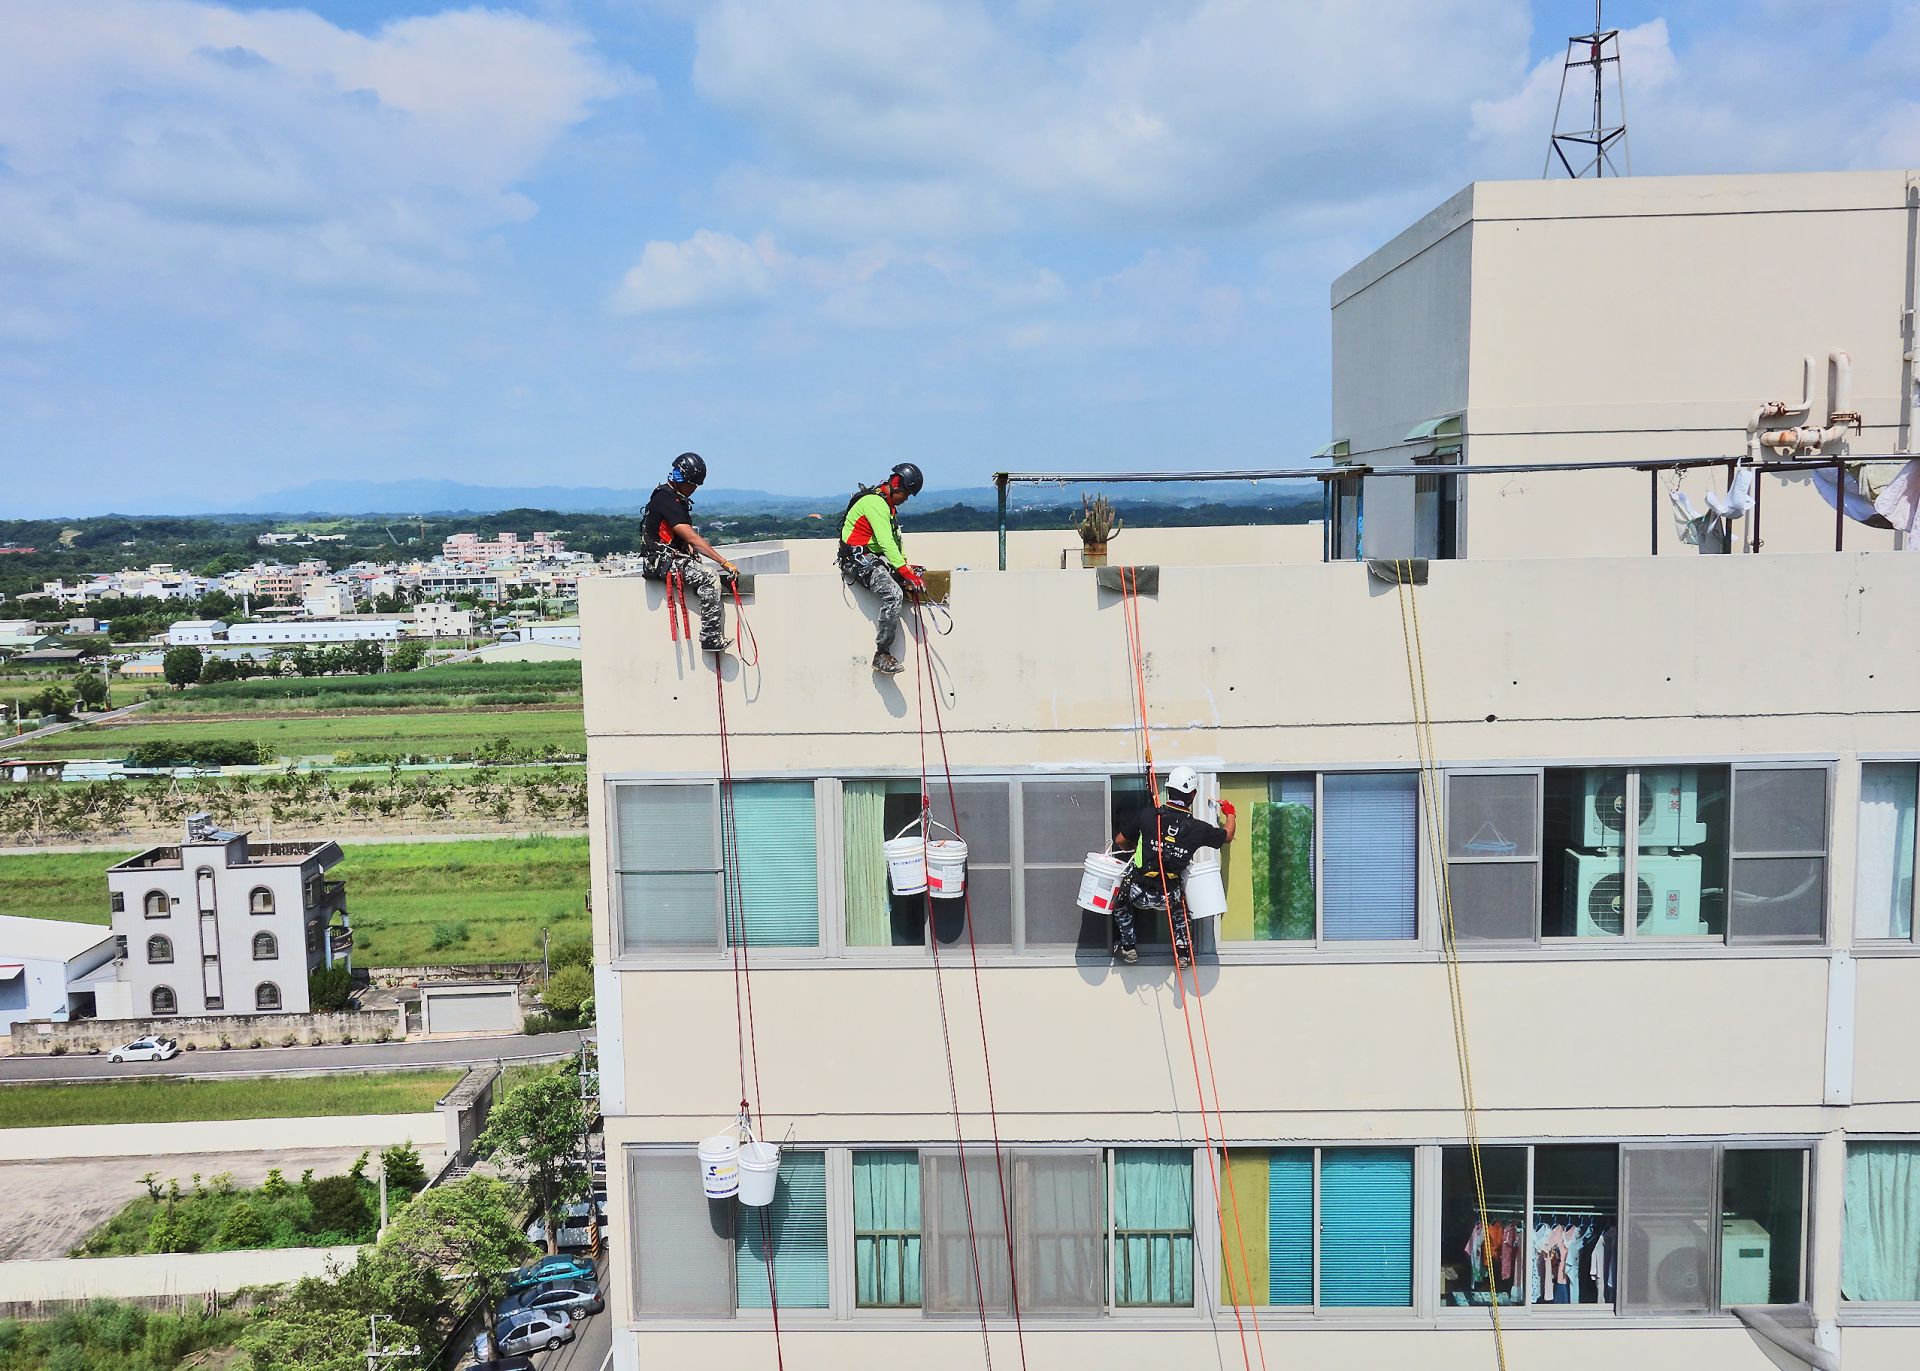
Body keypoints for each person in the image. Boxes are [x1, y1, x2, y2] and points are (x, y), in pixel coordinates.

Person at [1110, 765, 1237, 964]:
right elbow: (1227, 836)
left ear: (1168, 790)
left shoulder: (1147, 815)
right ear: (1193, 794)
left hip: (1138, 893)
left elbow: (1119, 840)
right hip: (1168, 897)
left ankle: (1128, 947)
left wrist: (1138, 846)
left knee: (1119, 902)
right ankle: (1183, 952)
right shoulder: (1198, 829)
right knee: (1182, 906)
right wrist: (1230, 812)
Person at [640, 452, 736, 654]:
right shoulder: (667, 499)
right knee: (709, 577)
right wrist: (724, 563)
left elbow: (677, 535)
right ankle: (710, 637)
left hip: (665, 558)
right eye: (693, 484)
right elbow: (692, 537)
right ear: (683, 480)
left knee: (701, 570)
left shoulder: (671, 496)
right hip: (661, 562)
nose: (694, 489)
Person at [838, 462, 925, 675]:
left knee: (899, 581)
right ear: (897, 485)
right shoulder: (874, 503)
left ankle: (883, 653)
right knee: (893, 594)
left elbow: (894, 541)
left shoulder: (887, 506)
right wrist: (905, 573)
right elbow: (886, 542)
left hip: (869, 556)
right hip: (856, 559)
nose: (906, 499)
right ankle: (882, 654)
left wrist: (904, 566)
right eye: (906, 493)